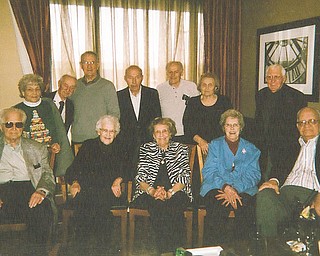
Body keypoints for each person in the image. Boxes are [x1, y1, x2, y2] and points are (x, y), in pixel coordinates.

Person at [256, 107, 320, 238]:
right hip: (284, 194)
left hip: (311, 194)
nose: (306, 125)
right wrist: (273, 181)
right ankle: (269, 248)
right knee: (264, 194)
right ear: (297, 126)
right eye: (302, 122)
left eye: (311, 121)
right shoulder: (291, 145)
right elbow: (279, 166)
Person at [132, 117, 193, 253]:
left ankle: (177, 250)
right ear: (153, 135)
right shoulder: (146, 148)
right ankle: (166, 251)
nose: (161, 135)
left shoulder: (180, 149)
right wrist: (153, 191)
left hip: (177, 190)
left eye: (164, 131)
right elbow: (140, 176)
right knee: (158, 206)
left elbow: (184, 175)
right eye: (157, 132)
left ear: (170, 133)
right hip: (149, 191)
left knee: (174, 206)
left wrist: (170, 192)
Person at [200, 109, 261, 245]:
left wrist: (236, 189)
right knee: (217, 205)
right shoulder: (215, 145)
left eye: (235, 125)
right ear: (223, 127)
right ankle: (214, 249)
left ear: (241, 127)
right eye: (228, 125)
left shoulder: (251, 149)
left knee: (245, 206)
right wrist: (225, 187)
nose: (232, 128)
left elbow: (254, 175)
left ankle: (241, 249)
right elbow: (209, 171)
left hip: (243, 189)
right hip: (216, 186)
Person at [65, 115, 124, 254]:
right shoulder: (88, 145)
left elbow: (129, 168)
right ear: (98, 131)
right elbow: (73, 169)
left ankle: (98, 248)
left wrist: (119, 179)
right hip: (86, 189)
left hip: (109, 190)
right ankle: (86, 247)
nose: (108, 135)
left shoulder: (121, 147)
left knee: (96, 206)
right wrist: (74, 183)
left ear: (116, 133)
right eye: (105, 130)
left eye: (112, 131)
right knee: (87, 205)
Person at [0, 107, 55, 246]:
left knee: (42, 210)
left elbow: (47, 174)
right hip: (2, 190)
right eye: (9, 124)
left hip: (28, 189)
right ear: (1, 127)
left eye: (18, 124)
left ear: (23, 127)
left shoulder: (37, 148)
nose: (13, 128)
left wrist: (41, 191)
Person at [255, 64, 307, 181]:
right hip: (263, 147)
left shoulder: (297, 97)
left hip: (285, 149)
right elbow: (258, 122)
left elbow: (298, 128)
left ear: (284, 79)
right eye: (269, 77)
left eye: (276, 77)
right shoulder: (260, 95)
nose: (272, 81)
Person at [14, 74, 73, 176]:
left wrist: (56, 143)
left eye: (37, 89)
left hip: (49, 153)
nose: (34, 93)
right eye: (30, 89)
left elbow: (56, 129)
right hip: (27, 155)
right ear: (23, 92)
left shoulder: (48, 105)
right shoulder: (17, 110)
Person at [117, 65, 161, 180]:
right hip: (126, 144)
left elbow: (157, 118)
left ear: (142, 78)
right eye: (130, 77)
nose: (134, 81)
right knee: (128, 176)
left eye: (137, 77)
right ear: (125, 78)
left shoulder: (152, 94)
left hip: (148, 141)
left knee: (148, 175)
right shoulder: (118, 96)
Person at [70, 51, 120, 144]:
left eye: (92, 62)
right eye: (86, 62)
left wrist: (107, 135)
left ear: (98, 65)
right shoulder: (75, 85)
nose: (89, 66)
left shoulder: (107, 86)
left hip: (100, 140)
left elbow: (114, 115)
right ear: (81, 65)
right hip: (78, 139)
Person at [183, 72, 232, 154]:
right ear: (200, 87)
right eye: (204, 85)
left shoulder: (224, 101)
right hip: (198, 146)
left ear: (215, 87)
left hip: (221, 146)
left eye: (210, 85)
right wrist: (200, 141)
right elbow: (187, 126)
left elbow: (230, 124)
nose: (207, 88)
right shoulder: (193, 102)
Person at [157, 61, 199, 143]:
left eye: (176, 72)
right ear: (166, 73)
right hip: (167, 135)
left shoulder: (191, 86)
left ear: (181, 72)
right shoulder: (160, 88)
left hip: (187, 133)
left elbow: (198, 110)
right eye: (170, 72)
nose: (173, 75)